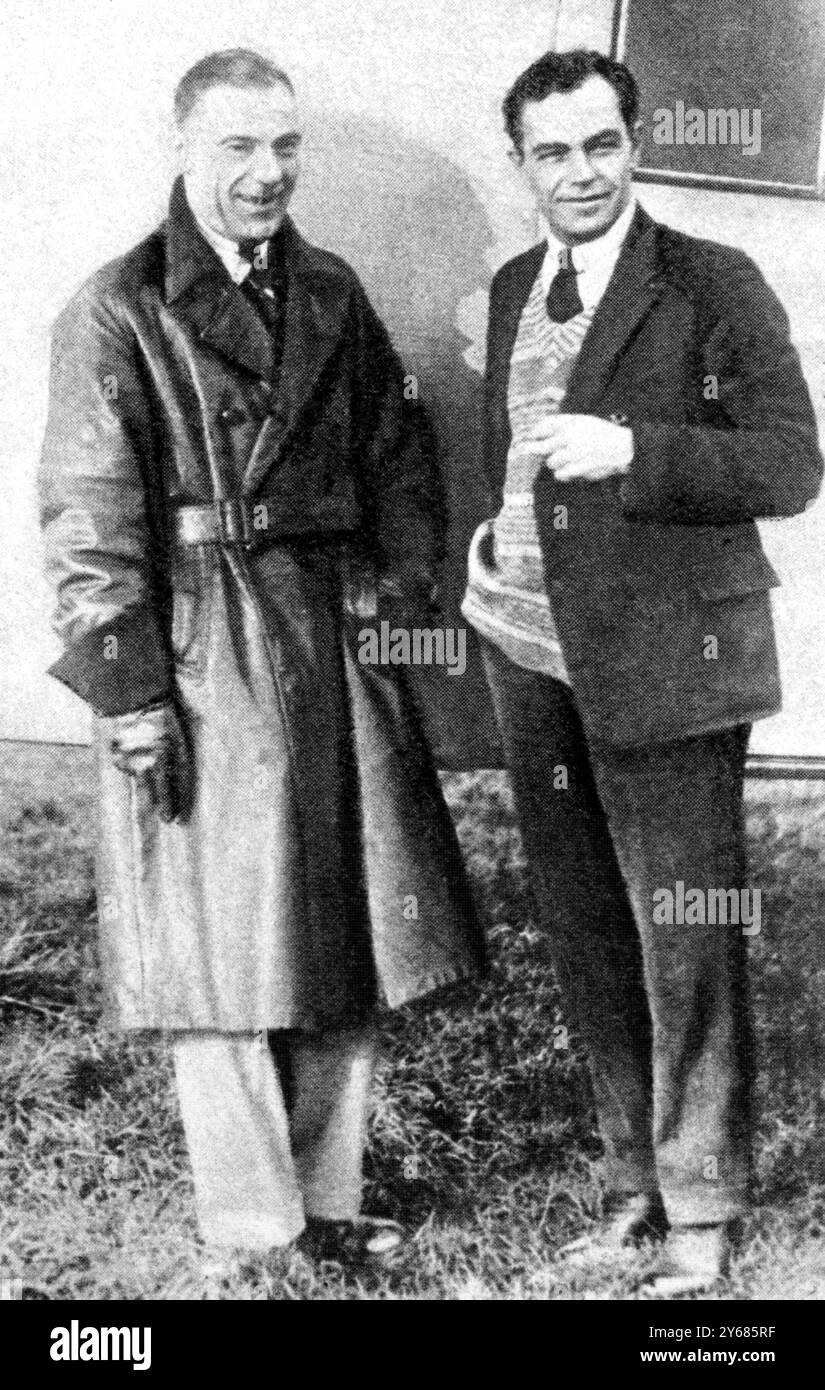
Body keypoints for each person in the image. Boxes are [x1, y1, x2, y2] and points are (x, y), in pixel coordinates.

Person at [39, 47, 485, 1277]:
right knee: (223, 942)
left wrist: (396, 594)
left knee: (343, 919)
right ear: (184, 148)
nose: (267, 173)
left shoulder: (333, 294)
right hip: (196, 647)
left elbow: (401, 458)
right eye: (239, 147)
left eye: (285, 146)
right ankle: (254, 1227)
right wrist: (130, 695)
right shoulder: (117, 306)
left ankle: (327, 1202)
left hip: (331, 640)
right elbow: (87, 520)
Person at [461, 48, 822, 1295]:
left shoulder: (711, 283)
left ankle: (705, 1211)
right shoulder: (514, 285)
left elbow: (789, 463)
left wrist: (635, 448)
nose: (580, 172)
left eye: (601, 143)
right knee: (587, 927)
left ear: (638, 140)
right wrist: (491, 541)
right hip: (528, 648)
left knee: (686, 930)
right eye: (552, 152)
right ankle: (635, 1184)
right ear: (522, 164)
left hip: (673, 653)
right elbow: (510, 450)